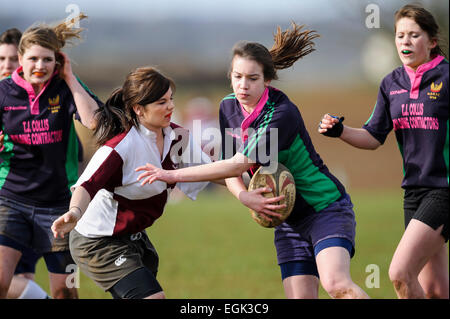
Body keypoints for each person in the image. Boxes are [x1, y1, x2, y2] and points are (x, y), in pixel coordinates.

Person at [136, 22, 369, 299]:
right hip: (286, 218)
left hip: (325, 209)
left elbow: (238, 164)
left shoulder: (281, 113)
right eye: (237, 76)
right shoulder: (227, 106)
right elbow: (230, 167)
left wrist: (171, 175)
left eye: (252, 78)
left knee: (337, 285)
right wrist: (244, 196)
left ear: (267, 80)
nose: (243, 85)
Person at [318, 4, 448, 299]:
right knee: (437, 290)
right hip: (413, 193)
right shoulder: (391, 83)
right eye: (400, 35)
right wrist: (341, 131)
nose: (405, 41)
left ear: (431, 41)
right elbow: (374, 136)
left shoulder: (447, 78)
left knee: (400, 274)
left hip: (444, 190)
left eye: (414, 35)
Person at [51, 66, 212, 299]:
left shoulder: (178, 137)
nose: (170, 107)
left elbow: (209, 171)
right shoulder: (120, 147)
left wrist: (246, 192)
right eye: (161, 102)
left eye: (170, 99)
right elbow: (87, 186)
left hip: (134, 238)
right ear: (138, 109)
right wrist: (74, 213)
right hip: (97, 242)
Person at [0, 14, 102, 299]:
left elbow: (94, 122)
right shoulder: (4, 93)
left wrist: (70, 78)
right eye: (33, 59)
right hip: (11, 201)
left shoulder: (65, 88)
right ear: (20, 58)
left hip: (60, 205)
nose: (40, 66)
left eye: (47, 59)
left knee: (65, 292)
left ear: (57, 61)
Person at [1, 27, 51, 299]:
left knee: (17, 281)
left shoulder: (44, 101)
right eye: (1, 59)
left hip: (25, 202)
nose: (6, 65)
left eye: (11, 58)